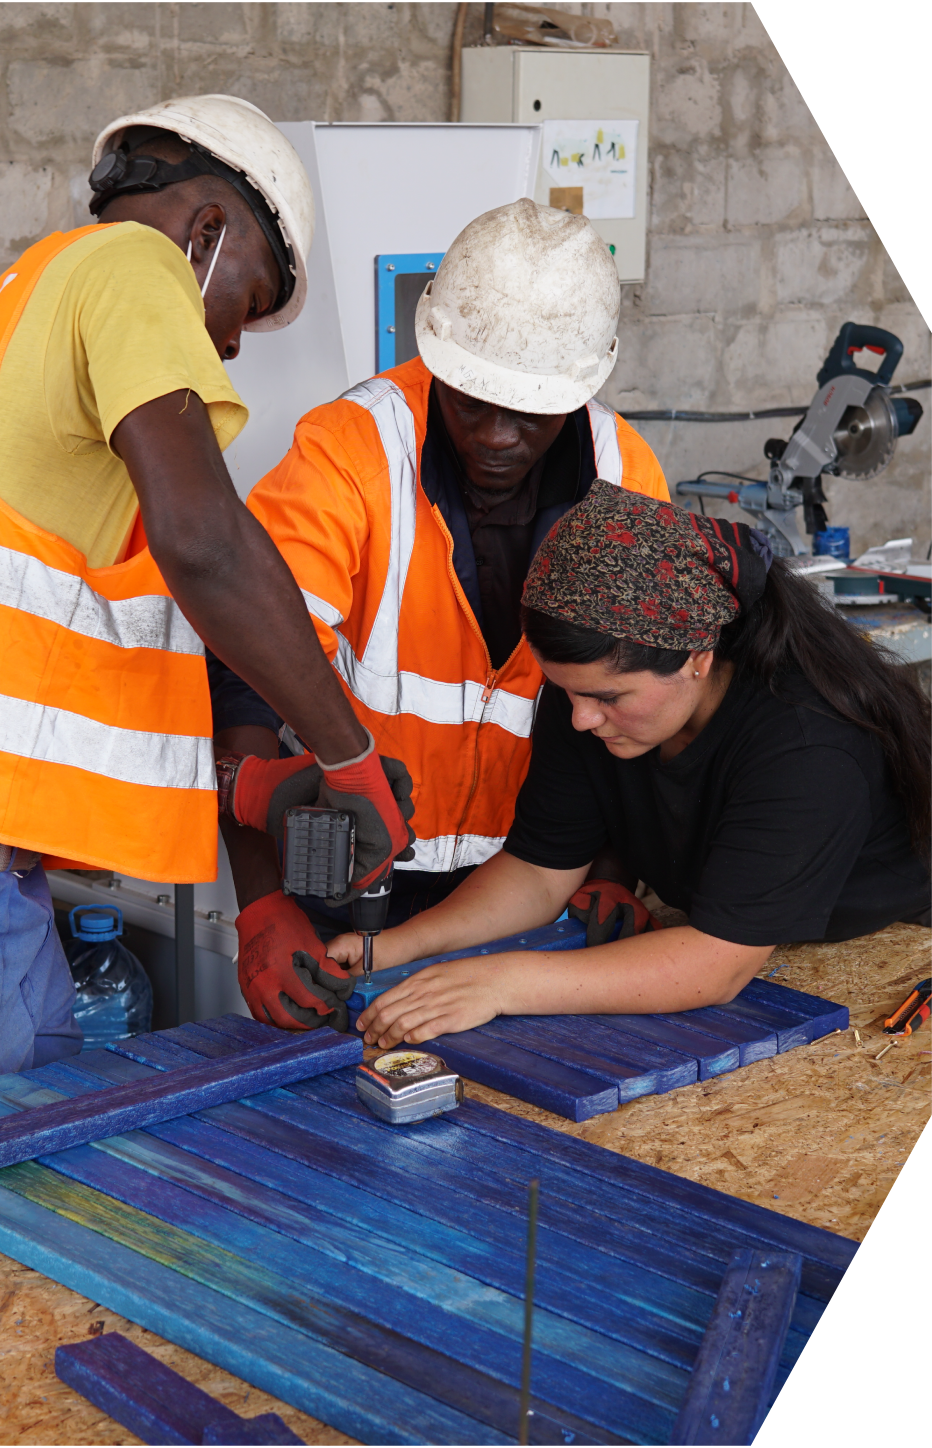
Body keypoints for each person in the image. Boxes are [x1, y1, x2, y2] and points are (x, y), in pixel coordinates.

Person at [0, 96, 411, 1126]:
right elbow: (208, 543)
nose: (231, 346)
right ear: (206, 232)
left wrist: (255, 792)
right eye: (248, 304)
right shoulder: (132, 267)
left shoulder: (41, 290)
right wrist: (347, 752)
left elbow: (73, 653)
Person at [212, 199, 672, 1032]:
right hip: (346, 879)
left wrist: (612, 862)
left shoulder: (625, 474)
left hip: (536, 884)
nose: (495, 436)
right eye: (469, 402)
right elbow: (245, 671)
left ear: (579, 387)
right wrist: (260, 901)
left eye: (526, 413)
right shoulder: (349, 451)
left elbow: (640, 701)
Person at [339, 481, 932, 1049]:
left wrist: (498, 983)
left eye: (608, 698)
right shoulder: (588, 697)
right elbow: (540, 871)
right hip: (760, 943)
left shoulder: (807, 743)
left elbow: (717, 964)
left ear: (697, 656)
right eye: (566, 692)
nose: (581, 719)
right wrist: (392, 947)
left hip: (896, 950)